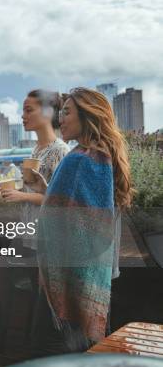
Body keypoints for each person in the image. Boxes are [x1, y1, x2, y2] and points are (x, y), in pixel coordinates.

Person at [25, 87, 133, 352]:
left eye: (68, 112)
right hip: (87, 281)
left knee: (48, 352)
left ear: (87, 116)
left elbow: (89, 226)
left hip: (68, 282)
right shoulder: (98, 155)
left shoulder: (82, 158)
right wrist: (48, 190)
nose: (61, 118)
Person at [0, 90, 70, 253]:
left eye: (29, 110)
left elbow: (60, 200)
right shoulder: (36, 150)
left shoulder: (60, 151)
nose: (23, 116)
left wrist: (21, 196)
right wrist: (15, 189)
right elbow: (34, 187)